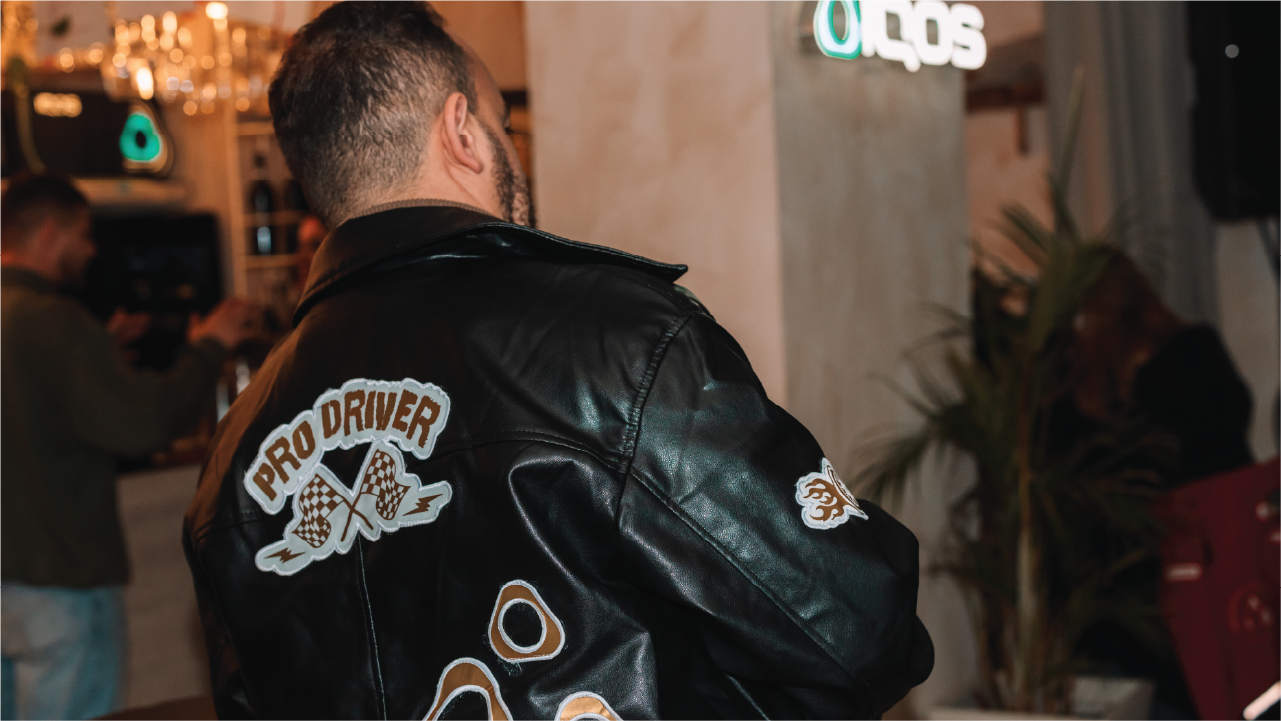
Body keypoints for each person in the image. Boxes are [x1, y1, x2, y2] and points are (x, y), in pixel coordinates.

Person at [184, 2, 933, 719]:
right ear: (462, 132)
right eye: (504, 125)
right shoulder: (619, 340)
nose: (514, 152)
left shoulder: (231, 459)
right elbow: (855, 626)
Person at [0, 173, 255, 721]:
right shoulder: (52, 321)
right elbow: (143, 422)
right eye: (83, 234)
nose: (91, 250)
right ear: (50, 233)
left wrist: (99, 351)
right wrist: (209, 346)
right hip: (59, 581)